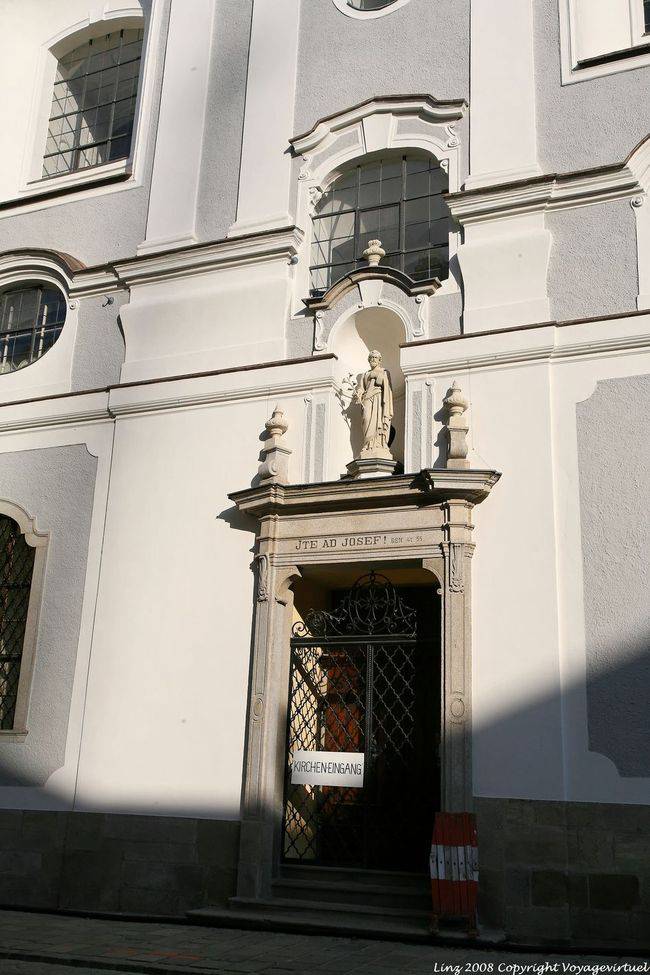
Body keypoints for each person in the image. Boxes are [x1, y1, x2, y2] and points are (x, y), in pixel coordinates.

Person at [355, 350, 394, 457]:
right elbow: (361, 388)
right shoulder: (365, 374)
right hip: (367, 399)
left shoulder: (384, 371)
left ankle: (380, 444)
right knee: (366, 419)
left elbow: (388, 387)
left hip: (379, 399)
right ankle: (367, 444)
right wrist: (359, 393)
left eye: (375, 357)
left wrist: (376, 375)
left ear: (379, 360)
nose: (373, 359)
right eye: (371, 357)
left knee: (379, 421)